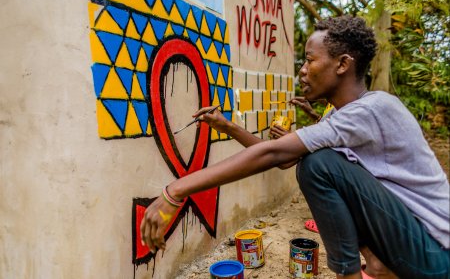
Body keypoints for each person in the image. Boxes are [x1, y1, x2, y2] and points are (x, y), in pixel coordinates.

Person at [140, 16, 450, 279]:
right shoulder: (343, 116)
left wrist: (175, 191)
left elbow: (277, 153)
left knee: (319, 165)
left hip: (435, 254)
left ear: (343, 64)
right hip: (415, 245)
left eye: (311, 60)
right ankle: (379, 267)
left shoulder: (373, 109)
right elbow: (284, 159)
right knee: (314, 162)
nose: (302, 69)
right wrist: (228, 126)